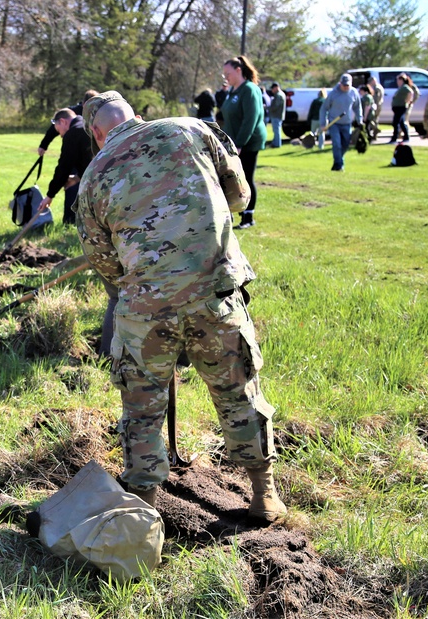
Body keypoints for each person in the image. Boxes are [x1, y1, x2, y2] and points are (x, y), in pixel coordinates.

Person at [76, 90, 285, 522]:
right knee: (238, 393)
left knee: (141, 409)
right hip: (215, 293)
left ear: (96, 133)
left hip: (144, 311)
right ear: (134, 114)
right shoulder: (192, 129)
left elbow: (103, 260)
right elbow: (239, 195)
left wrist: (151, 286)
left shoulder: (93, 175)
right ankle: (264, 494)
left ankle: (145, 511)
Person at [221, 55, 266, 229]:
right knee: (233, 178)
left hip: (248, 142)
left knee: (246, 177)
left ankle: (248, 217)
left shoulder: (249, 89)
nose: (226, 77)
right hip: (233, 141)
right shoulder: (233, 91)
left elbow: (251, 119)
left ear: (238, 70)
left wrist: (239, 144)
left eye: (228, 73)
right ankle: (234, 212)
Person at [37, 107, 93, 225]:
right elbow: (88, 159)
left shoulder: (73, 133)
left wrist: (49, 195)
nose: (61, 136)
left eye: (59, 131)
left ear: (63, 121)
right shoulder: (85, 124)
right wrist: (77, 177)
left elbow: (64, 167)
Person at [319, 73, 361, 172]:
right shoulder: (334, 93)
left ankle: (337, 162)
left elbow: (357, 107)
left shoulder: (354, 93)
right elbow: (324, 108)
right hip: (334, 123)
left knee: (346, 145)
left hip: (347, 123)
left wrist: (360, 120)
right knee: (337, 144)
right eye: (344, 85)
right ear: (340, 83)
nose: (346, 87)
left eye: (348, 85)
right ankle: (339, 165)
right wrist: (322, 123)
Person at [38, 90, 100, 156]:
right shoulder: (72, 112)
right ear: (84, 104)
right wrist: (43, 145)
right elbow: (55, 127)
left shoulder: (99, 112)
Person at [389, 73, 419, 143]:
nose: (397, 82)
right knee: (401, 122)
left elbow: (410, 92)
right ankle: (406, 137)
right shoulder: (401, 87)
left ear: (402, 80)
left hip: (401, 107)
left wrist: (408, 101)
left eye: (398, 80)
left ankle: (394, 138)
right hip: (397, 107)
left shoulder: (404, 87)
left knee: (395, 122)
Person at [267, 83, 286, 148]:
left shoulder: (278, 95)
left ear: (276, 87)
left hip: (276, 115)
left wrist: (267, 107)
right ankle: (276, 143)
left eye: (273, 88)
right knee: (276, 130)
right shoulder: (282, 94)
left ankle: (277, 144)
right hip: (279, 115)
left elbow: (275, 107)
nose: (272, 90)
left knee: (276, 130)